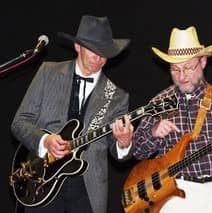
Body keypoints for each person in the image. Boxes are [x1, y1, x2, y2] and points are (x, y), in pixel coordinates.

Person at [11, 15, 134, 213]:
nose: (99, 58)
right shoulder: (48, 72)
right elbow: (19, 123)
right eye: (93, 51)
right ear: (78, 46)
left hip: (87, 191)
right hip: (41, 181)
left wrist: (124, 143)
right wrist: (45, 141)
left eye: (104, 53)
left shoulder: (117, 96)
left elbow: (118, 152)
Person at [132, 26, 212, 212]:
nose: (181, 76)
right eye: (175, 69)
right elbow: (138, 151)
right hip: (175, 189)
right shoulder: (159, 102)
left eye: (188, 68)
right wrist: (153, 132)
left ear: (203, 62)